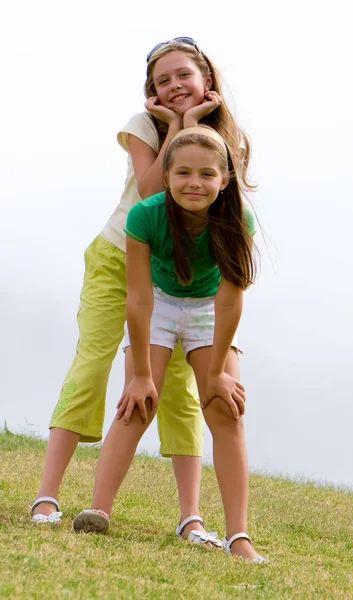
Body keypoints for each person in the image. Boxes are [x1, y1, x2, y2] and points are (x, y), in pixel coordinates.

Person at [31, 37, 253, 547]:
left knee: (179, 392)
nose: (174, 86)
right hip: (123, 256)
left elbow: (219, 218)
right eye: (162, 81)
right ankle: (49, 496)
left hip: (186, 277)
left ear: (208, 80)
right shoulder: (142, 127)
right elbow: (156, 192)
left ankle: (192, 518)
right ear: (150, 93)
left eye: (183, 76)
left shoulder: (226, 139)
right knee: (96, 366)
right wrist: (178, 125)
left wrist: (194, 126)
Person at [72, 126, 266, 563]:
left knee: (225, 410)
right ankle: (98, 509)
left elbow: (231, 298)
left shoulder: (238, 220)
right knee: (137, 403)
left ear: (224, 180)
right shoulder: (145, 216)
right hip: (158, 303)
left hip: (208, 310)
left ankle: (239, 537)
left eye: (206, 174)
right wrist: (141, 373)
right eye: (182, 173)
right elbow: (138, 300)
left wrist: (216, 372)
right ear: (168, 177)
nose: (194, 183)